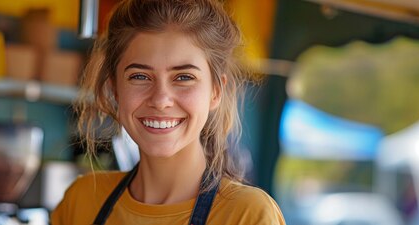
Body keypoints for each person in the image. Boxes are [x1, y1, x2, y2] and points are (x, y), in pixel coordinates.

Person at [51, 0, 286, 224]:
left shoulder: (248, 214)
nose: (161, 100)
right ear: (115, 89)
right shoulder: (81, 201)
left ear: (216, 91)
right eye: (140, 76)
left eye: (184, 77)